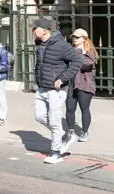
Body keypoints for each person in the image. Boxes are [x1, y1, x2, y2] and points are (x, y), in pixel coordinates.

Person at [32, 18, 83, 164]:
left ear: (44, 30)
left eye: (35, 28)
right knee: (40, 116)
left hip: (56, 90)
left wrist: (62, 79)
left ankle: (55, 152)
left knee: (54, 121)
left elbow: (77, 61)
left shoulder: (61, 45)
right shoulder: (40, 44)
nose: (33, 31)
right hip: (42, 87)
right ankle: (64, 134)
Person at [61, 28, 98, 153]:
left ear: (84, 38)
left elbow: (86, 64)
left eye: (77, 37)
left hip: (85, 84)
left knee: (84, 108)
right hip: (71, 84)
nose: (75, 39)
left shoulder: (90, 51)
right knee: (70, 108)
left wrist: (75, 54)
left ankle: (84, 131)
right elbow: (65, 63)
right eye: (74, 37)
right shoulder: (71, 50)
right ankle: (70, 131)